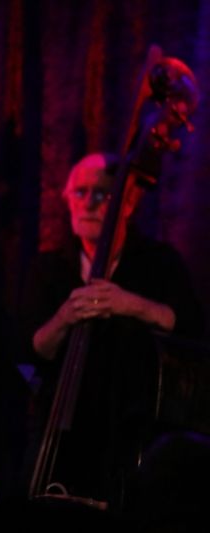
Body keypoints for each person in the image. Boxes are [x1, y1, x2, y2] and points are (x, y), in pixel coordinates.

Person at [20, 152, 204, 508]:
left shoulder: (159, 262)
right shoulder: (48, 268)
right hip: (60, 435)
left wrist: (132, 305)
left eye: (103, 194)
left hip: (137, 437)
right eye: (81, 193)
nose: (89, 203)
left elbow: (191, 327)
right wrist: (64, 317)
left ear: (128, 202)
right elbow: (32, 348)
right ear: (67, 200)